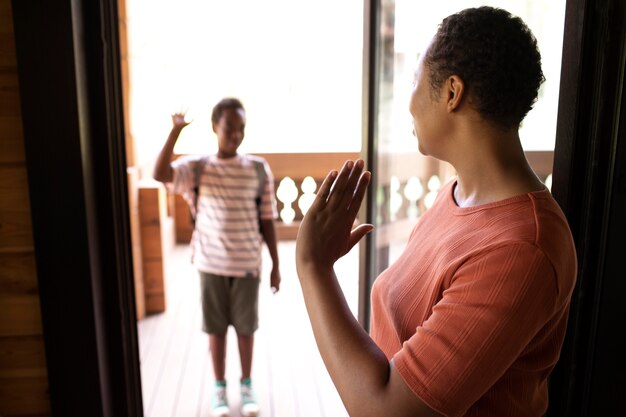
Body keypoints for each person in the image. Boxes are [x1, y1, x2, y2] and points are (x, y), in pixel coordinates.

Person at [295, 6, 577, 417]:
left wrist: (312, 265)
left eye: (414, 79)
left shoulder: (521, 250)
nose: (408, 101)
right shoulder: (458, 194)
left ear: (451, 92)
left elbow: (386, 410)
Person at [153, 97, 281, 417]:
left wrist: (277, 265)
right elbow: (159, 174)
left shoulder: (257, 169)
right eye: (228, 129)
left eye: (240, 129)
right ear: (215, 127)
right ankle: (219, 388)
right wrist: (175, 133)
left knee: (246, 329)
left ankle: (247, 384)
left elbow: (267, 219)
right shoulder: (197, 168)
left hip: (247, 265)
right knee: (217, 330)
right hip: (210, 264)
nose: (235, 135)